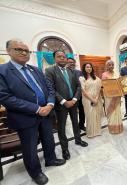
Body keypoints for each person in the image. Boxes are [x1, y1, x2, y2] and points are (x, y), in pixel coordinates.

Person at [0, 39, 65, 185]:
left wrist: (49, 103)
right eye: (18, 49)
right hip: (25, 117)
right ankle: (35, 173)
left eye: (26, 50)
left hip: (47, 112)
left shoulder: (35, 69)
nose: (24, 52)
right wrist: (36, 109)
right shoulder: (2, 71)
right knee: (29, 147)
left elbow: (49, 88)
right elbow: (5, 97)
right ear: (8, 51)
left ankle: (51, 159)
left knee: (48, 139)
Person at [45, 50, 88, 161]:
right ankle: (65, 148)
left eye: (64, 56)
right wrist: (64, 101)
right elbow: (51, 89)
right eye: (59, 57)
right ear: (55, 58)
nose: (62, 58)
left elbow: (78, 87)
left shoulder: (71, 71)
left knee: (75, 123)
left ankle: (78, 140)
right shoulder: (50, 71)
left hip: (73, 102)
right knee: (61, 127)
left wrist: (74, 99)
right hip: (61, 105)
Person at [79, 63, 103, 138]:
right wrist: (92, 99)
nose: (89, 68)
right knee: (90, 116)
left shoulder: (96, 77)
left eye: (90, 67)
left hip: (97, 98)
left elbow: (99, 88)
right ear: (84, 68)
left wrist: (96, 98)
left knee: (97, 115)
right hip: (87, 99)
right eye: (87, 67)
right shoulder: (82, 78)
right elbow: (83, 91)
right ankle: (91, 133)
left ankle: (97, 131)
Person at [102, 60, 123, 134]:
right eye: (109, 65)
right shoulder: (104, 74)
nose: (111, 66)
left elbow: (121, 83)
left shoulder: (117, 74)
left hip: (117, 96)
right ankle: (112, 128)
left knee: (117, 111)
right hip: (109, 97)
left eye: (112, 65)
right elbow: (104, 86)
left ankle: (118, 127)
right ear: (107, 66)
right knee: (111, 112)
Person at [67, 57, 86, 131]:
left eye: (72, 62)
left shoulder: (79, 72)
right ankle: (76, 128)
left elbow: (83, 83)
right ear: (66, 63)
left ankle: (81, 125)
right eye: (69, 62)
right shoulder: (65, 72)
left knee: (82, 111)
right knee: (74, 114)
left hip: (80, 95)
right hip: (71, 96)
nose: (71, 63)